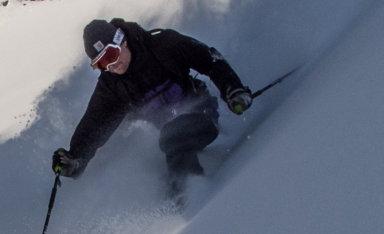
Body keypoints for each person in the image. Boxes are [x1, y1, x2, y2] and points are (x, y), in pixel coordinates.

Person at [51, 18, 253, 195]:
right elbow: (94, 125)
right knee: (161, 156)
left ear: (122, 40)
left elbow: (209, 60)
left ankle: (193, 200)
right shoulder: (111, 86)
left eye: (111, 55)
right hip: (167, 136)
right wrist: (75, 158)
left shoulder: (162, 45)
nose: (111, 66)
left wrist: (233, 90)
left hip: (201, 115)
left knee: (173, 137)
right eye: (101, 64)